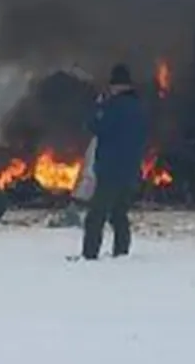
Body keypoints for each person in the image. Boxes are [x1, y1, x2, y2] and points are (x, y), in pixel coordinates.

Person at [81, 63, 150, 260]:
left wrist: (98, 105)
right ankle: (121, 253)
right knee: (119, 214)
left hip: (111, 170)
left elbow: (95, 125)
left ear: (117, 86)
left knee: (96, 215)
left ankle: (89, 255)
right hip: (131, 170)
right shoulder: (139, 108)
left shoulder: (112, 107)